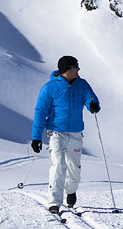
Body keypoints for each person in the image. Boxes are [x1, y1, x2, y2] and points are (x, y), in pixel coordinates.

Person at [31, 55, 100, 214]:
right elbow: (40, 112)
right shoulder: (49, 88)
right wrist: (36, 137)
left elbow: (91, 99)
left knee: (74, 167)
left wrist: (93, 105)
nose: (78, 69)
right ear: (68, 69)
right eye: (76, 66)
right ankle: (54, 202)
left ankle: (71, 191)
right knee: (58, 165)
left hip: (76, 132)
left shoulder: (82, 85)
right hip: (56, 133)